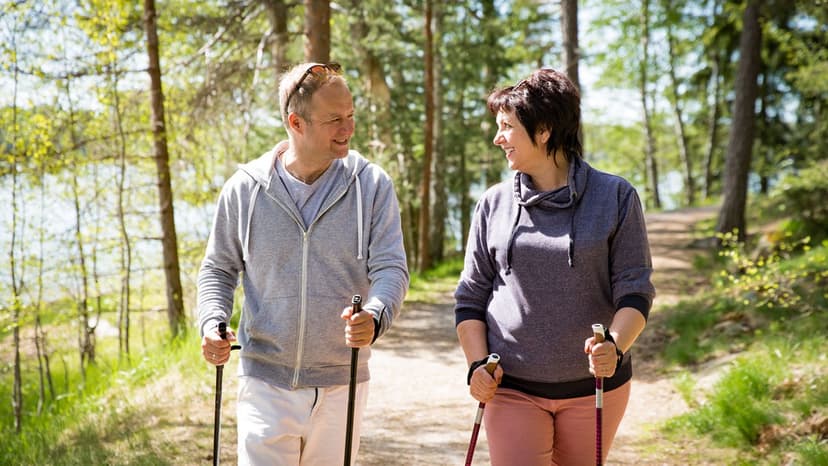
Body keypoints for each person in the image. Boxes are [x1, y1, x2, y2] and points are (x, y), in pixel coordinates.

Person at [197, 62, 409, 465]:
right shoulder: (245, 189)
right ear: (296, 122)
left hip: (341, 382)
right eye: (334, 119)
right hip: (264, 381)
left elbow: (390, 268)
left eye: (350, 116)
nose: (347, 128)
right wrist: (212, 323)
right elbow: (218, 269)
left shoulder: (371, 185)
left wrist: (377, 314)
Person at [454, 68, 655, 466]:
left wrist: (614, 346)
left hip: (595, 388)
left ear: (543, 129)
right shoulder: (493, 204)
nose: (498, 138)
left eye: (507, 127)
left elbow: (635, 289)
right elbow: (470, 296)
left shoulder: (615, 196)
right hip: (510, 387)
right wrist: (477, 365)